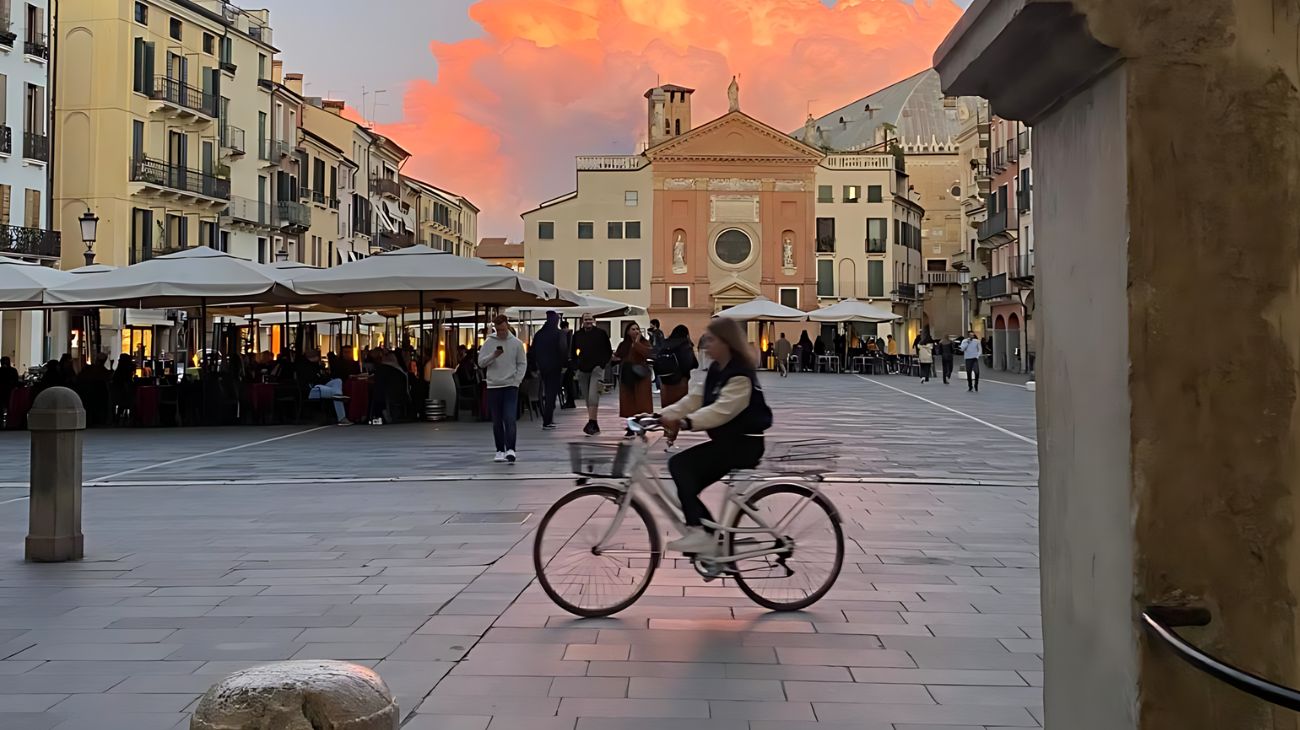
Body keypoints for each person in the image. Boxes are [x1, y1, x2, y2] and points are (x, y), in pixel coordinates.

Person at [659, 317, 773, 555]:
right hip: (728, 443)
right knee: (685, 482)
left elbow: (722, 410)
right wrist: (660, 415)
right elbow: (695, 399)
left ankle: (703, 535)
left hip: (744, 445)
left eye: (711, 340)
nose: (706, 345)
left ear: (726, 342)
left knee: (680, 466)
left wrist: (686, 422)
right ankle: (709, 538)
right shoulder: (717, 369)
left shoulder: (740, 373)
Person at [478, 314, 528, 462]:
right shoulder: (489, 342)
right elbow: (481, 363)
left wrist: (517, 380)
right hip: (493, 385)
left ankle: (511, 448)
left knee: (509, 417)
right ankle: (500, 449)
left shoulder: (517, 343)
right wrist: (494, 355)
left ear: (507, 325)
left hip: (510, 386)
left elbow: (522, 363)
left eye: (503, 329)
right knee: (497, 420)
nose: (501, 333)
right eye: (498, 330)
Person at [656, 325, 699, 447]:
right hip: (680, 381)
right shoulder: (685, 345)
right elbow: (691, 364)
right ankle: (671, 438)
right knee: (678, 409)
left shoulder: (665, 343)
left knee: (668, 409)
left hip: (665, 381)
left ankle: (668, 433)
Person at [571, 313, 613, 436]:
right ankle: (593, 423)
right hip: (582, 370)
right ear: (582, 321)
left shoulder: (601, 334)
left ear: (594, 320)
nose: (588, 321)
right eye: (586, 319)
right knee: (587, 397)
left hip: (597, 370)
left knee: (593, 395)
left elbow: (608, 350)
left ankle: (592, 422)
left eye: (590, 319)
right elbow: (572, 352)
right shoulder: (577, 335)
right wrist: (576, 367)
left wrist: (602, 365)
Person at [613, 322, 653, 438]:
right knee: (628, 401)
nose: (636, 331)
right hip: (627, 373)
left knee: (642, 401)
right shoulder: (624, 344)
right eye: (633, 329)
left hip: (641, 374)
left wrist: (636, 343)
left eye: (637, 329)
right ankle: (631, 426)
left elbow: (648, 353)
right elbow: (618, 356)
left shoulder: (643, 342)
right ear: (628, 331)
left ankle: (641, 424)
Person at [531, 310, 568, 430]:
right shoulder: (559, 333)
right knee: (551, 393)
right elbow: (563, 349)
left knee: (544, 393)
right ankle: (547, 420)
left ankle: (547, 418)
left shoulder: (539, 334)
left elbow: (532, 352)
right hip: (555, 366)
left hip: (542, 367)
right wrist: (564, 365)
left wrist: (534, 367)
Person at [302, 349, 350, 426]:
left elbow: (321, 377)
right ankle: (341, 417)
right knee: (335, 392)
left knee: (337, 381)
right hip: (313, 388)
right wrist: (323, 376)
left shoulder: (316, 365)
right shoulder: (304, 367)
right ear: (313, 357)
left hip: (322, 385)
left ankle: (338, 394)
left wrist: (326, 376)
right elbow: (314, 379)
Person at [559, 319, 577, 409]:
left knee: (566, 383)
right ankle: (571, 401)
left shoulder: (563, 335)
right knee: (569, 383)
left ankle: (569, 401)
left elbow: (563, 349)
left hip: (565, 363)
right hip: (571, 363)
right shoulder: (571, 335)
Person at [646, 318, 665, 395]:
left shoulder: (657, 333)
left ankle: (659, 387)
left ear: (654, 324)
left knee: (657, 370)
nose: (650, 325)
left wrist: (651, 335)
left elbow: (654, 344)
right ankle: (658, 385)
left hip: (656, 354)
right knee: (655, 370)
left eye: (651, 324)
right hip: (655, 353)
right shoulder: (658, 333)